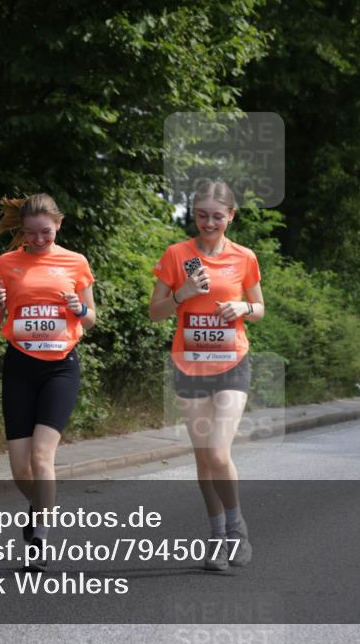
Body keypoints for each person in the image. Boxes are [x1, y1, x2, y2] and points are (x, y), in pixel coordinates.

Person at [149, 181, 264, 572]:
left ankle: (236, 530)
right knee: (203, 460)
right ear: (193, 215)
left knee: (217, 452)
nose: (209, 223)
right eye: (202, 215)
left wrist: (243, 307)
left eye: (217, 216)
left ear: (231, 215)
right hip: (189, 365)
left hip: (232, 363)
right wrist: (181, 294)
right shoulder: (176, 255)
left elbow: (260, 308)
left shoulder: (245, 257)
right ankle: (216, 538)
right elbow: (154, 312)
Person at [0, 193, 96, 570]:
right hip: (19, 366)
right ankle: (39, 507)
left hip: (60, 368)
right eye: (31, 233)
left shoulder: (76, 262)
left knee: (41, 456)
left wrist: (80, 309)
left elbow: (91, 319)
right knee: (20, 468)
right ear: (21, 230)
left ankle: (41, 540)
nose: (38, 239)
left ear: (59, 225)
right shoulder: (6, 263)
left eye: (45, 232)